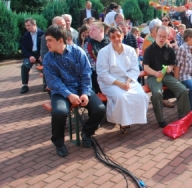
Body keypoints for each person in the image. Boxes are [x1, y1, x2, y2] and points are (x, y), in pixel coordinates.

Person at [43, 25, 106, 157]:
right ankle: (59, 143)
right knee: (59, 112)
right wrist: (69, 95)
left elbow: (86, 74)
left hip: (80, 88)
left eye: (49, 40)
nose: (46, 43)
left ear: (60, 40)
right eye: (46, 40)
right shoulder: (48, 59)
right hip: (61, 92)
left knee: (100, 108)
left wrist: (84, 92)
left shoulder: (78, 52)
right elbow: (53, 82)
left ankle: (87, 133)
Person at [96, 27, 149, 133]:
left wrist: (128, 82)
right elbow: (103, 74)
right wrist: (120, 84)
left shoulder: (130, 50)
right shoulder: (104, 52)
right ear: (109, 38)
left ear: (122, 36)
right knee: (122, 97)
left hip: (128, 80)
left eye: (118, 36)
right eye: (113, 37)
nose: (116, 39)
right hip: (110, 82)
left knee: (142, 96)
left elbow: (135, 69)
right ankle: (123, 122)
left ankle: (134, 119)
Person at [143, 26, 191, 128]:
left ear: (167, 37)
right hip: (153, 76)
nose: (161, 38)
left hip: (166, 75)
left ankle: (184, 116)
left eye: (164, 37)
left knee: (183, 90)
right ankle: (161, 120)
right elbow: (146, 67)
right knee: (157, 93)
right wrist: (155, 73)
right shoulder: (149, 50)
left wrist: (169, 68)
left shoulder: (169, 49)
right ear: (156, 34)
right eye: (160, 36)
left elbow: (172, 64)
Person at [84, 22, 110, 94]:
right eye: (90, 30)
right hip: (97, 73)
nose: (90, 32)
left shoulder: (110, 41)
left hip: (112, 71)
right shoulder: (88, 44)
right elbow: (90, 61)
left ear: (101, 30)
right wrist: (103, 72)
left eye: (93, 30)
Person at [20, 18, 44, 94]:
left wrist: (42, 55)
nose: (27, 27)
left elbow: (45, 46)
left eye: (28, 25)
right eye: (26, 26)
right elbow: (24, 49)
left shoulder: (42, 34)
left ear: (34, 25)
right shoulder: (25, 36)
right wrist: (30, 56)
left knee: (46, 65)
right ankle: (25, 85)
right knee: (24, 66)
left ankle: (46, 84)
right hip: (30, 55)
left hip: (40, 54)